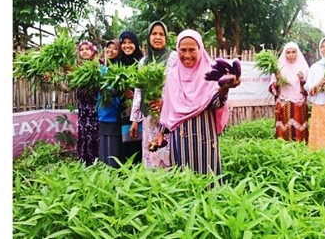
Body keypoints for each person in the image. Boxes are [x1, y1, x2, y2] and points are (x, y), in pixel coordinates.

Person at [154, 29, 240, 183]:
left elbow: (216, 103)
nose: (187, 55)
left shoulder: (210, 73)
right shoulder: (173, 76)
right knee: (183, 183)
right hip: (179, 141)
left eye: (192, 50)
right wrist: (161, 133)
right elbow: (168, 108)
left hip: (204, 139)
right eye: (183, 50)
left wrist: (224, 88)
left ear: (200, 50)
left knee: (207, 183)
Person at [129, 21, 177, 168]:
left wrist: (164, 103)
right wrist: (135, 120)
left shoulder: (174, 57)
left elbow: (178, 86)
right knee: (150, 153)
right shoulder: (143, 62)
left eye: (161, 34)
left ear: (166, 38)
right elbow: (139, 91)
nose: (157, 37)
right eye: (154, 34)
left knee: (167, 154)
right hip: (148, 118)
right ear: (148, 37)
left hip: (168, 116)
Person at [97, 33, 142, 167]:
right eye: (124, 43)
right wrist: (122, 91)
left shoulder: (142, 62)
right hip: (122, 114)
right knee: (125, 149)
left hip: (140, 112)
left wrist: (134, 94)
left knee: (138, 146)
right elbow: (114, 88)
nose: (127, 46)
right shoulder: (118, 64)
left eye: (130, 42)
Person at [268, 41, 309, 143]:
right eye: (288, 52)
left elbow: (310, 87)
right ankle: (284, 152)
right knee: (284, 130)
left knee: (299, 132)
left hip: (299, 104)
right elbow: (272, 88)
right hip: (283, 103)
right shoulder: (279, 68)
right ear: (284, 54)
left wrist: (303, 80)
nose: (291, 55)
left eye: (293, 52)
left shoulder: (304, 67)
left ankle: (300, 152)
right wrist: (277, 80)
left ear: (297, 53)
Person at [73, 40, 100, 165]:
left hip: (96, 109)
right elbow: (66, 88)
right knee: (84, 134)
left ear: (92, 51)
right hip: (83, 109)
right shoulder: (75, 69)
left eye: (87, 49)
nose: (84, 51)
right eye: (82, 49)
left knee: (96, 134)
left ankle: (98, 161)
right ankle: (85, 161)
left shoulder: (99, 66)